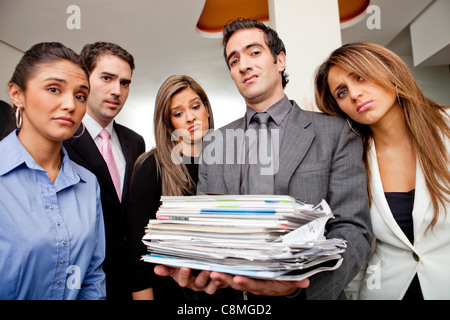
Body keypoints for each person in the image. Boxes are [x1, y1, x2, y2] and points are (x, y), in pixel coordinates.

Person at [155, 18, 372, 300]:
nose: (243, 65)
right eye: (234, 61)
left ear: (279, 60)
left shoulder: (336, 132)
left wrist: (301, 287)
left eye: (254, 52)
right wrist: (199, 270)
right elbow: (208, 232)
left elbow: (353, 230)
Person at [314, 41, 450, 299]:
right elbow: (357, 244)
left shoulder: (446, 127)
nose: (354, 94)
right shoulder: (352, 159)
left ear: (388, 71)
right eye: (342, 92)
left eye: (361, 78)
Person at [0, 42, 105, 299]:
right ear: (17, 94)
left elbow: (92, 275)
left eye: (80, 96)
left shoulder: (87, 183)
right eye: (54, 89)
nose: (70, 104)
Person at [63, 42, 145, 300]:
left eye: (125, 83)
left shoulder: (136, 142)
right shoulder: (62, 138)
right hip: (79, 281)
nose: (116, 91)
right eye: (107, 78)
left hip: (131, 280)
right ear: (84, 79)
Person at [126, 75, 214, 300]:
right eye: (178, 113)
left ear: (206, 109)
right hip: (171, 293)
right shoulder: (151, 166)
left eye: (195, 106)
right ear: (168, 123)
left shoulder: (225, 164)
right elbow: (139, 250)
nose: (190, 117)